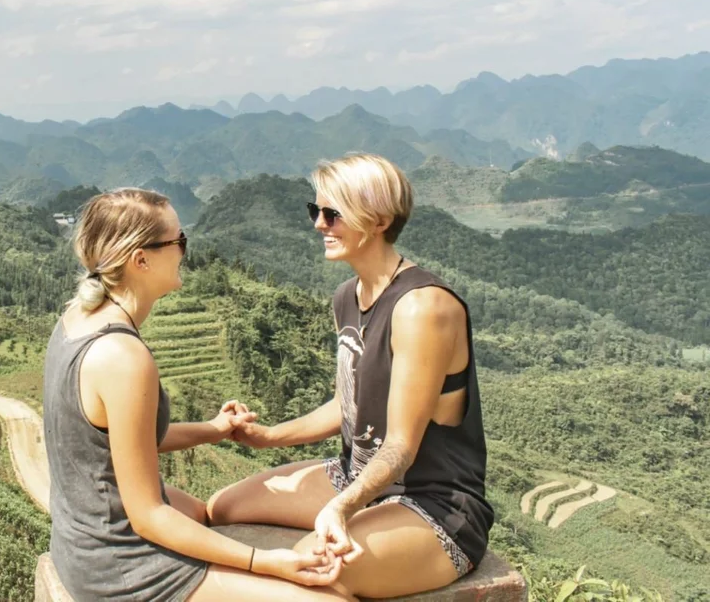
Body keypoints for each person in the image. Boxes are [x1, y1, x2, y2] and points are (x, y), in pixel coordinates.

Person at [43, 188, 354, 602]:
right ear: (141, 260)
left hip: (78, 541)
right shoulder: (122, 357)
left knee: (207, 513)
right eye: (179, 242)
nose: (185, 251)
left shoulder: (76, 318)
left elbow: (123, 439)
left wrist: (215, 429)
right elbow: (150, 516)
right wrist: (267, 561)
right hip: (119, 565)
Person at [207, 154, 494, 600]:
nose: (319, 224)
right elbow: (348, 402)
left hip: (433, 502)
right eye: (315, 211)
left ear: (378, 220)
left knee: (315, 571)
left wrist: (341, 507)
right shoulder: (348, 296)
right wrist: (267, 437)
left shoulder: (423, 308)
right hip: (356, 476)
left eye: (332, 214)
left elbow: (400, 446)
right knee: (223, 508)